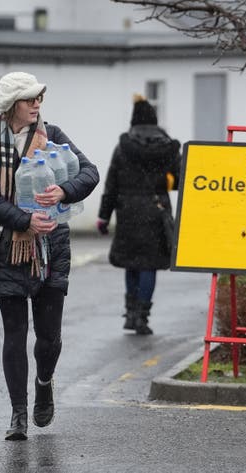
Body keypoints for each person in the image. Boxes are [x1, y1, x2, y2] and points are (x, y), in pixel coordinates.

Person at [0, 71, 99, 441]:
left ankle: (45, 381)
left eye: (39, 97)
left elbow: (90, 172)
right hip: (7, 245)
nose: (37, 104)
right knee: (15, 333)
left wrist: (63, 192)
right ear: (11, 107)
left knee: (49, 336)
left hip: (52, 245)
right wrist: (24, 220)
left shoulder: (52, 135)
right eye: (29, 99)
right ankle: (18, 414)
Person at [96, 94, 181, 335]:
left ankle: (130, 314)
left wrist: (103, 216)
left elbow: (111, 184)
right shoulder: (168, 147)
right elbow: (179, 182)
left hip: (128, 212)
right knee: (149, 266)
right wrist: (165, 180)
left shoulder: (123, 147)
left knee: (131, 263)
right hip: (156, 212)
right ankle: (143, 317)